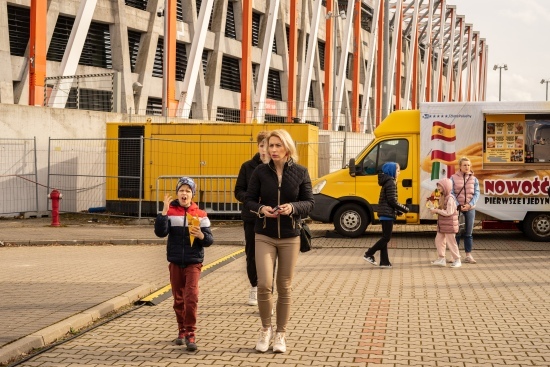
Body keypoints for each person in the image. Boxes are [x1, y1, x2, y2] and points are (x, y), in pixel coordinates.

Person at [245, 129, 314, 354]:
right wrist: (262, 209)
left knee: (284, 286)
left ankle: (281, 334)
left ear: (287, 147)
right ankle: (266, 329)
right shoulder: (259, 172)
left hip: (290, 236)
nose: (272, 150)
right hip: (264, 234)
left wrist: (293, 208)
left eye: (277, 146)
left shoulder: (301, 172)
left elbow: (309, 202)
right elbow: (248, 200)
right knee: (264, 284)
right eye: (270, 145)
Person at [154, 177, 214, 351]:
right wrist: (163, 213)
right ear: (177, 193)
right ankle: (181, 330)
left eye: (188, 191)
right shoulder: (170, 212)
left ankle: (191, 333)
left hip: (193, 262)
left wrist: (202, 236)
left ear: (192, 194)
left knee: (191, 297)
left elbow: (209, 240)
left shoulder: (200, 214)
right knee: (178, 299)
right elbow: (160, 233)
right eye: (181, 190)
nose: (184, 193)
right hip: (175, 262)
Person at [234, 131, 270, 306]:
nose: (264, 150)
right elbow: (238, 191)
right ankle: (254, 287)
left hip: (271, 218)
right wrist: (252, 200)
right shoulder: (247, 166)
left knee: (270, 256)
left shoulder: (276, 166)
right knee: (252, 254)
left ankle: (268, 289)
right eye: (261, 145)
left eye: (268, 146)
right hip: (252, 218)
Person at [363, 162, 409, 268]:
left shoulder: (387, 181)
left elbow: (388, 201)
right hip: (387, 214)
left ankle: (384, 262)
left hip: (385, 213)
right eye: (397, 170)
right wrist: (404, 209)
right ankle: (369, 253)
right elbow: (392, 200)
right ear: (392, 171)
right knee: (386, 238)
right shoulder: (391, 182)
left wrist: (397, 211)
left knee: (385, 238)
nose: (399, 173)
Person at [451, 157, 480, 264]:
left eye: (468, 165)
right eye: (464, 165)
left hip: (470, 209)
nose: (467, 167)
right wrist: (458, 205)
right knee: (457, 232)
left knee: (469, 233)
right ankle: (455, 256)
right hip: (457, 209)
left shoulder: (474, 179)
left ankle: (468, 255)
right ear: (460, 166)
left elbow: (477, 194)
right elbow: (451, 192)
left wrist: (470, 205)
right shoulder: (453, 178)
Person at [430, 178, 462, 268]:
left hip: (449, 225)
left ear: (446, 187)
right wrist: (436, 209)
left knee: (451, 242)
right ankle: (441, 258)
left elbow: (449, 212)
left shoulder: (450, 199)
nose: (438, 187)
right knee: (439, 240)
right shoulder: (443, 197)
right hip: (443, 225)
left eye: (440, 186)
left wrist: (437, 210)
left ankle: (457, 259)